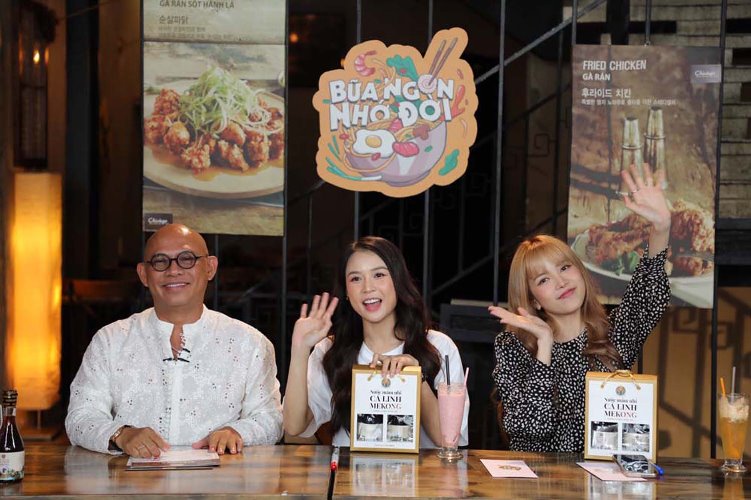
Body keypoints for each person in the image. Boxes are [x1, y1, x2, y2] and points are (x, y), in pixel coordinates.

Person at [491, 164, 671, 452]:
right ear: (533, 299)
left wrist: (661, 228)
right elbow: (531, 431)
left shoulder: (614, 333)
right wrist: (544, 346)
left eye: (564, 267)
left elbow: (648, 295)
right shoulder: (513, 346)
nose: (561, 281)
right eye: (544, 279)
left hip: (601, 478)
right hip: (536, 479)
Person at [65, 224, 283, 457]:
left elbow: (271, 419)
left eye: (187, 259)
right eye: (160, 261)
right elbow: (80, 417)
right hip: (131, 477)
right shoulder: (110, 340)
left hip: (221, 475)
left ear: (210, 268)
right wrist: (121, 434)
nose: (173, 270)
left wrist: (237, 432)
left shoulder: (249, 343)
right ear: (143, 274)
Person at [283, 236, 469, 447]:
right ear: (346, 291)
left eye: (379, 275)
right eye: (355, 278)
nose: (367, 288)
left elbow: (448, 440)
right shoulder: (330, 350)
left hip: (420, 470)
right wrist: (300, 349)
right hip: (348, 468)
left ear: (398, 281)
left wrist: (417, 377)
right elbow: (294, 426)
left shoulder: (439, 347)